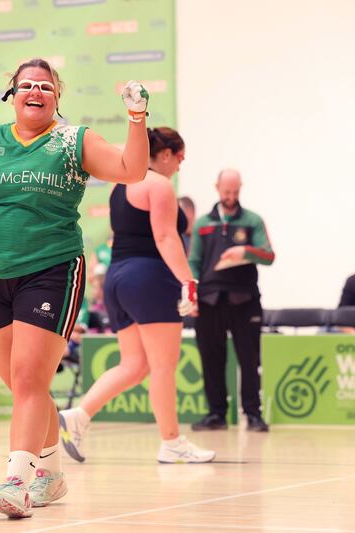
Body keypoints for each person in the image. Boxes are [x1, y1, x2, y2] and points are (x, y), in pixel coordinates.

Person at [0, 58, 150, 518]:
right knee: (24, 387)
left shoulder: (73, 139)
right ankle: (52, 474)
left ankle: (16, 479)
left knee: (27, 379)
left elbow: (130, 169)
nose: (35, 92)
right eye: (26, 86)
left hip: (53, 269)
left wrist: (136, 120)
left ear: (57, 96)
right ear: (12, 95)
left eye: (45, 86)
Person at [58, 127, 212, 464]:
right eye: (180, 158)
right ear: (167, 154)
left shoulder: (120, 184)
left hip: (117, 279)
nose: (180, 166)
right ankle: (172, 443)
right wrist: (188, 282)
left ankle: (78, 416)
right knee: (163, 367)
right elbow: (165, 237)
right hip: (150, 278)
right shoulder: (159, 184)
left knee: (135, 364)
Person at [189, 169, 274, 432]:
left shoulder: (253, 221)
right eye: (227, 192)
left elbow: (269, 256)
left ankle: (253, 414)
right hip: (209, 300)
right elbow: (194, 261)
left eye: (235, 192)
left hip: (244, 298)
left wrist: (246, 251)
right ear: (217, 188)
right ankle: (216, 414)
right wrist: (191, 295)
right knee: (211, 359)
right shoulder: (202, 223)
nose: (231, 197)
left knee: (249, 359)